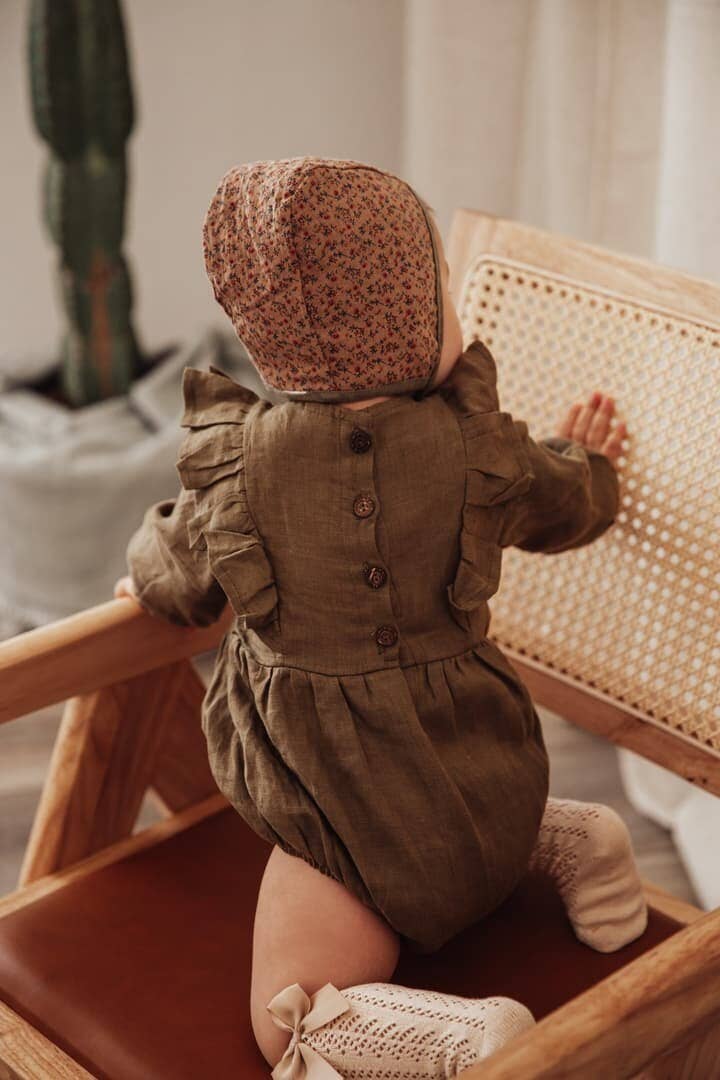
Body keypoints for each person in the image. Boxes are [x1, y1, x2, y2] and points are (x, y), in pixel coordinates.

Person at [114, 157, 647, 1079]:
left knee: (285, 1021)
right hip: (488, 781)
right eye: (441, 283)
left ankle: (459, 1042)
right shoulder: (476, 447)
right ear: (405, 315)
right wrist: (589, 461)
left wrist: (139, 585)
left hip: (337, 817)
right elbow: (571, 504)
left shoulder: (238, 468)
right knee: (479, 823)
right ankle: (568, 838)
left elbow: (175, 575)